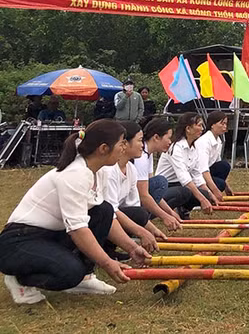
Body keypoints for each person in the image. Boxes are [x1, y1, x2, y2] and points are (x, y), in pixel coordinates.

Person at [0, 120, 151, 304]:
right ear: (103, 148)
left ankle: (84, 277)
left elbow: (108, 218)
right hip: (19, 241)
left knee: (103, 210)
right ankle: (20, 277)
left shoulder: (100, 171)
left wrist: (132, 248)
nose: (124, 147)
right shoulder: (75, 174)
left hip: (52, 234)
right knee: (70, 272)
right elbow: (78, 229)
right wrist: (106, 262)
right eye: (122, 143)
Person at [98, 122, 165, 260]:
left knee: (139, 213)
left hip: (112, 216)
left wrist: (152, 230)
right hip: (100, 218)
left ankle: (110, 248)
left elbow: (133, 206)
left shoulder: (131, 169)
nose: (142, 145)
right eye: (139, 140)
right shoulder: (109, 171)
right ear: (125, 144)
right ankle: (102, 249)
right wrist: (141, 232)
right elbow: (112, 210)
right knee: (115, 213)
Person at [156, 112, 215, 218]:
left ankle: (183, 209)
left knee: (205, 194)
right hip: (165, 186)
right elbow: (184, 178)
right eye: (199, 125)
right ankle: (164, 211)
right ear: (188, 129)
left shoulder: (194, 147)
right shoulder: (176, 147)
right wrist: (202, 199)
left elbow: (197, 175)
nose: (202, 129)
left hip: (179, 184)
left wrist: (210, 194)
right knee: (185, 192)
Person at [135, 117, 181, 232]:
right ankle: (139, 222)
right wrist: (165, 216)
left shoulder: (148, 154)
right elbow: (144, 195)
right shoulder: (141, 157)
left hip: (134, 199)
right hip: (130, 202)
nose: (170, 142)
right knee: (160, 182)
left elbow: (152, 192)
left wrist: (170, 212)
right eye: (168, 138)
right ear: (156, 137)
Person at [194, 111, 233, 201]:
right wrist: (215, 190)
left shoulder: (218, 141)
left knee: (224, 166)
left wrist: (227, 186)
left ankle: (212, 191)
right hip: (197, 175)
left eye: (226, 124)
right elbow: (203, 170)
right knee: (220, 184)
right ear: (212, 125)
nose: (225, 126)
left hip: (207, 172)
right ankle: (206, 195)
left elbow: (217, 162)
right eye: (222, 123)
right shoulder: (204, 142)